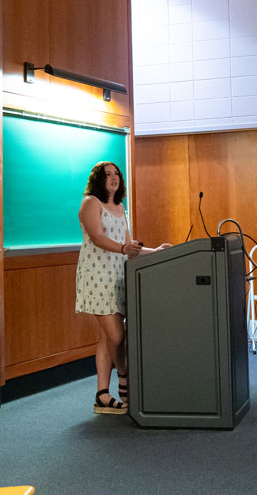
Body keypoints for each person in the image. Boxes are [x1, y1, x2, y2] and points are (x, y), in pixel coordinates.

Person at [74, 161, 169, 414]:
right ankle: (125, 380)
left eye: (116, 174)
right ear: (98, 179)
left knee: (107, 339)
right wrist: (124, 249)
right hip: (96, 277)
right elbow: (98, 238)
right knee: (117, 336)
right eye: (107, 175)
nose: (114, 178)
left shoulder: (119, 207)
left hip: (118, 276)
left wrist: (155, 251)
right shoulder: (90, 203)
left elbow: (128, 245)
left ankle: (102, 395)